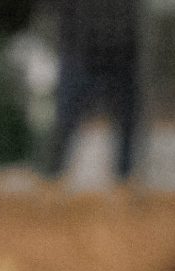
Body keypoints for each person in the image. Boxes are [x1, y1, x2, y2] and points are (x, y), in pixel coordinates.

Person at [50, 0, 140, 183]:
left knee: (129, 125)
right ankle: (52, 177)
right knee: (65, 122)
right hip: (79, 50)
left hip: (124, 52)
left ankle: (125, 179)